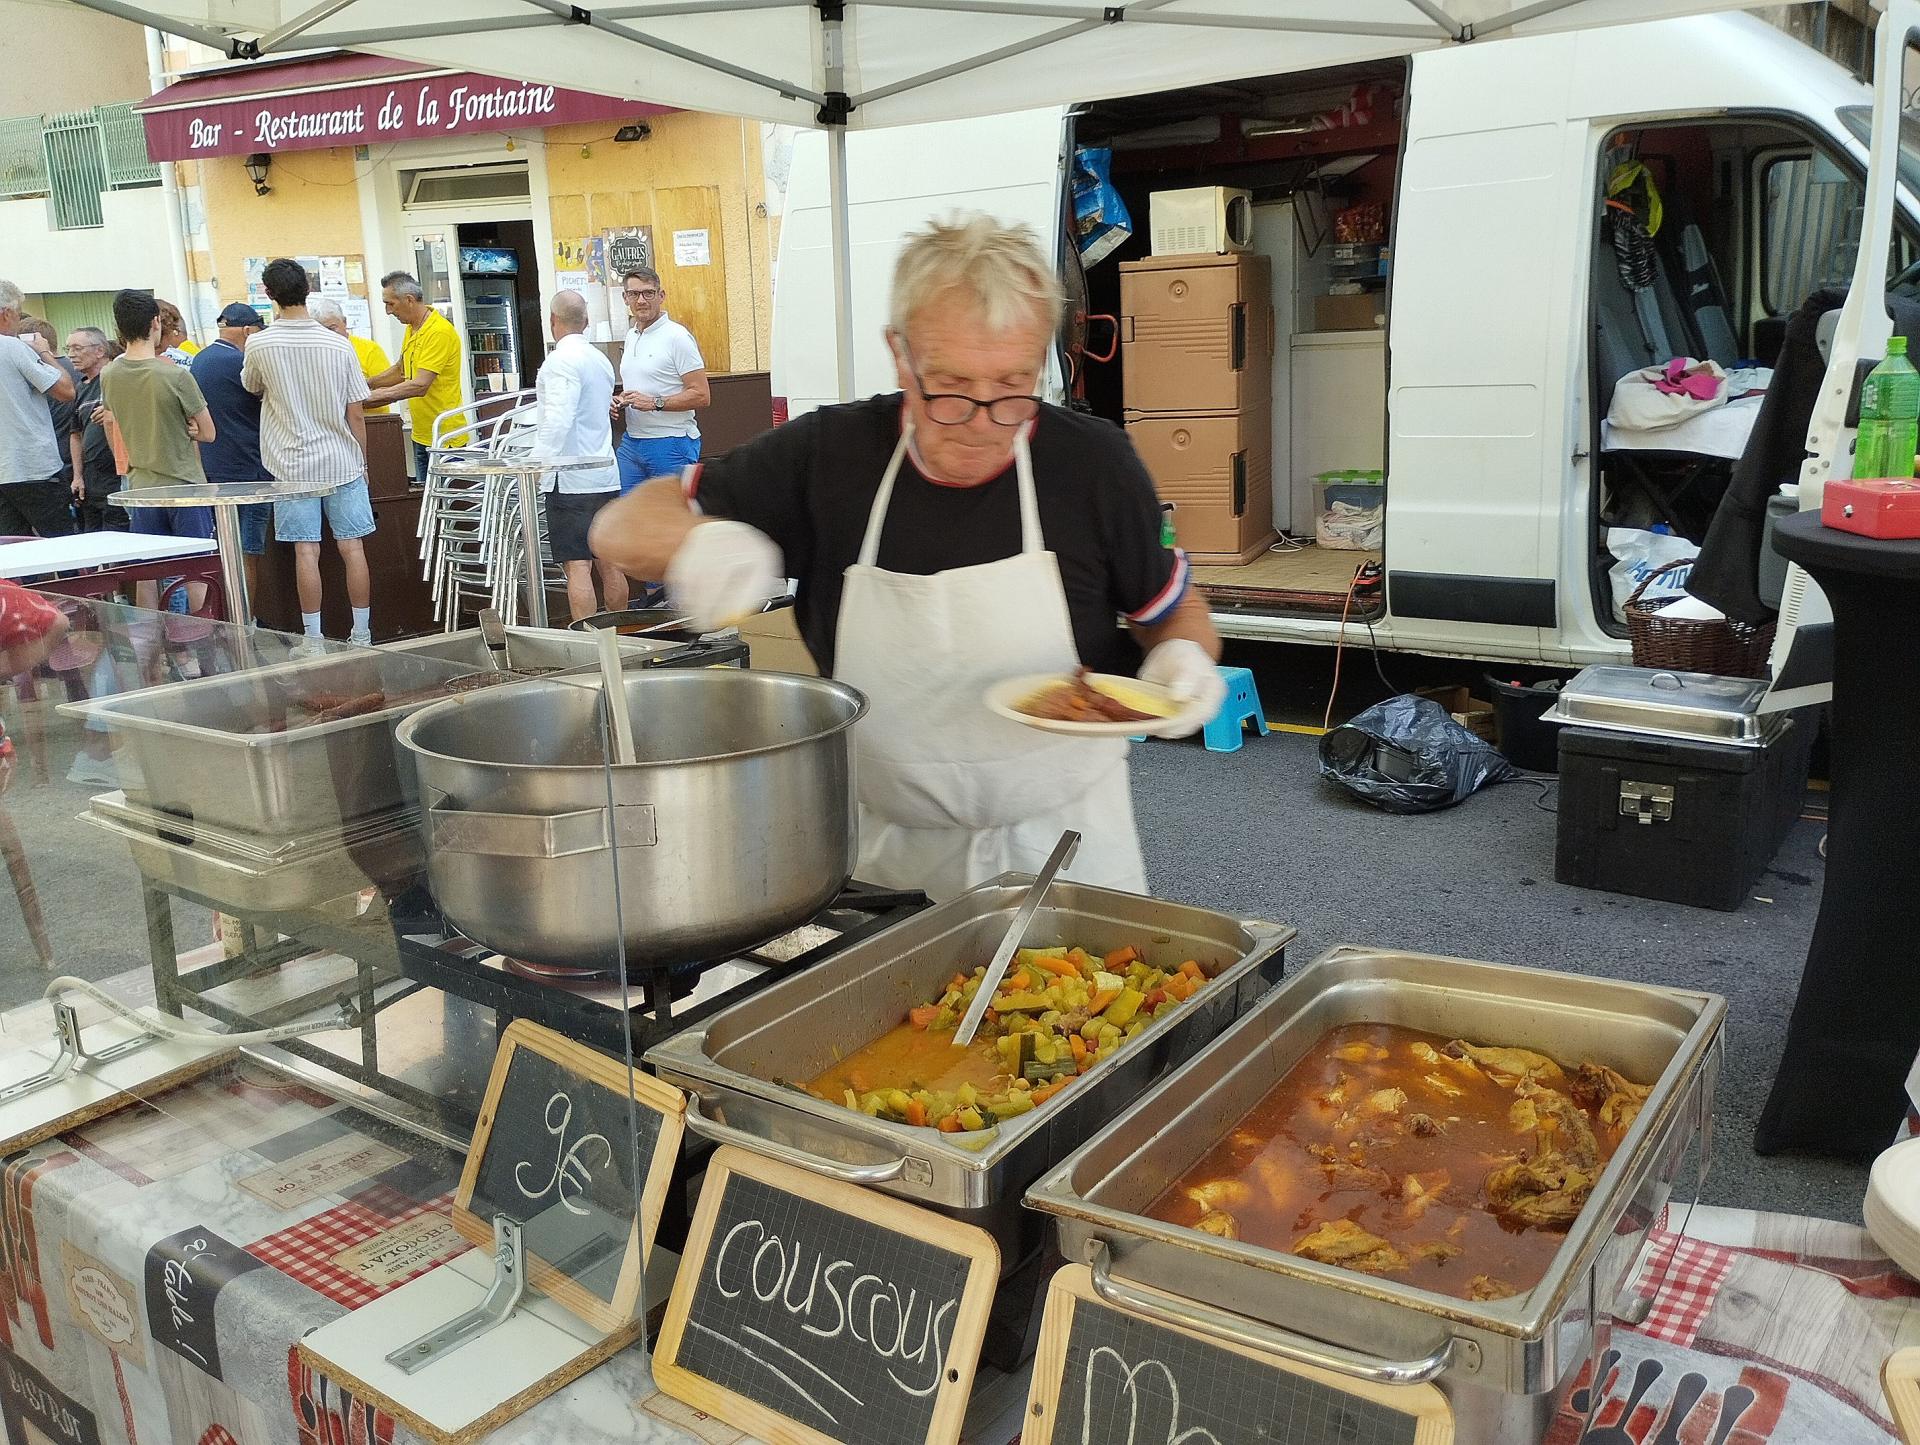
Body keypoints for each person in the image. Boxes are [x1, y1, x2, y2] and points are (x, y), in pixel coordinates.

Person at [593, 214, 1227, 902]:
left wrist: (1186, 659)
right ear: (901, 355)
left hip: (1071, 849)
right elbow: (624, 524)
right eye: (951, 389)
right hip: (886, 862)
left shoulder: (1094, 463)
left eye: (1015, 388)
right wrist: (697, 544)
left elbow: (1172, 610)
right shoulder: (827, 456)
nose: (985, 423)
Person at [243, 257, 375, 648]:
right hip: (342, 460)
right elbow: (356, 411)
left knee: (306, 551)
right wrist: (363, 462)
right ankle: (362, 634)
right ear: (308, 289)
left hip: (290, 463)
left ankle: (313, 640)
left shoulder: (259, 343)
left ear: (269, 295)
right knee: (353, 549)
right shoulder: (338, 344)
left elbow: (251, 386)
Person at [531, 289, 627, 621]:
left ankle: (587, 642)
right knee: (610, 561)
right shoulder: (601, 360)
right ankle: (620, 636)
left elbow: (558, 420)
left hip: (570, 477)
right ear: (586, 322)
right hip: (604, 471)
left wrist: (537, 463)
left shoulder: (559, 361)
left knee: (578, 566)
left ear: (552, 321)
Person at [99, 289, 215, 560]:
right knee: (193, 567)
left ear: (119, 327)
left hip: (141, 486)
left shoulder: (109, 374)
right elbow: (209, 433)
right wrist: (192, 429)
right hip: (183, 484)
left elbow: (112, 420)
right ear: (155, 323)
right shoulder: (176, 375)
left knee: (147, 571)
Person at [190, 303, 273, 603]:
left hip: (213, 467)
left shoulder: (200, 360)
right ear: (248, 330)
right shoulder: (240, 362)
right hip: (249, 470)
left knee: (224, 551)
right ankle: (244, 624)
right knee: (246, 554)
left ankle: (223, 618)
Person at [613, 267, 709, 493]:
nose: (642, 300)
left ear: (661, 296)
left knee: (671, 519)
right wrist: (621, 399)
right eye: (634, 294)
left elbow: (702, 395)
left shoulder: (677, 337)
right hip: (632, 441)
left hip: (671, 442)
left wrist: (655, 403)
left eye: (648, 293)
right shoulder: (631, 335)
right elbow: (644, 385)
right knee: (629, 517)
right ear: (625, 298)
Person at [365, 272, 462, 477]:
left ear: (409, 300)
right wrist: (367, 384)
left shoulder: (438, 331)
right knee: (427, 503)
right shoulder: (413, 328)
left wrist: (369, 398)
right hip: (422, 434)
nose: (388, 311)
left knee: (444, 505)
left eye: (390, 304)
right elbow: (401, 370)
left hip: (444, 438)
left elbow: (419, 385)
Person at [0, 280, 77, 538]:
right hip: (33, 467)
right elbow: (66, 391)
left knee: (15, 555)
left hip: (4, 472)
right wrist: (45, 353)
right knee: (62, 546)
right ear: (6, 313)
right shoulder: (12, 347)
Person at [16, 318, 80, 531]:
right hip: (70, 467)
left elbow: (66, 393)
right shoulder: (77, 368)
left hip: (48, 468)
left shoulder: (52, 373)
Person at [63, 327, 122, 532]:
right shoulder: (80, 387)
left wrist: (112, 413)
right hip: (91, 482)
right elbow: (75, 434)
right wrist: (77, 476)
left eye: (78, 348)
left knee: (119, 539)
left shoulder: (117, 378)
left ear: (99, 351)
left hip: (117, 478)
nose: (71, 354)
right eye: (68, 348)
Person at [309, 296, 393, 414]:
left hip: (373, 422)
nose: (327, 335)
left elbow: (389, 390)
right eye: (321, 331)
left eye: (331, 329)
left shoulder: (369, 349)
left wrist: (350, 400)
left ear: (344, 322)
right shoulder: (314, 354)